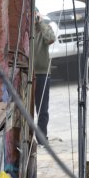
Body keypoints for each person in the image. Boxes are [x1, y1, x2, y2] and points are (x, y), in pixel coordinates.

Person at [33, 8, 56, 143]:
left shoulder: (44, 28)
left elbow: (51, 39)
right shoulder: (26, 30)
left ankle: (42, 138)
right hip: (28, 73)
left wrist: (40, 23)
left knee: (42, 109)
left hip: (42, 73)